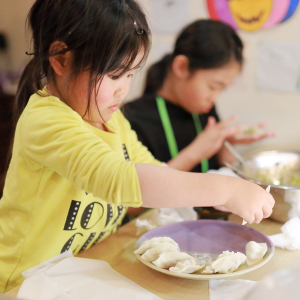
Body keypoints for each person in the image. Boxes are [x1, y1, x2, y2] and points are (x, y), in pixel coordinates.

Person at [0, 0, 274, 292]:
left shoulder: (111, 119)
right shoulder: (45, 120)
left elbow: (150, 170)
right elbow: (121, 179)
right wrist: (224, 188)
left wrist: (215, 193)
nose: (124, 89)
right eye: (115, 74)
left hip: (79, 268)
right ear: (60, 59)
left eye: (130, 74)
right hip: (26, 281)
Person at [123, 20, 275, 173]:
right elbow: (142, 188)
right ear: (181, 67)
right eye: (213, 87)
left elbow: (219, 169)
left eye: (222, 89)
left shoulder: (204, 107)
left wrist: (227, 142)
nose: (214, 97)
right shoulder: (131, 118)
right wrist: (195, 153)